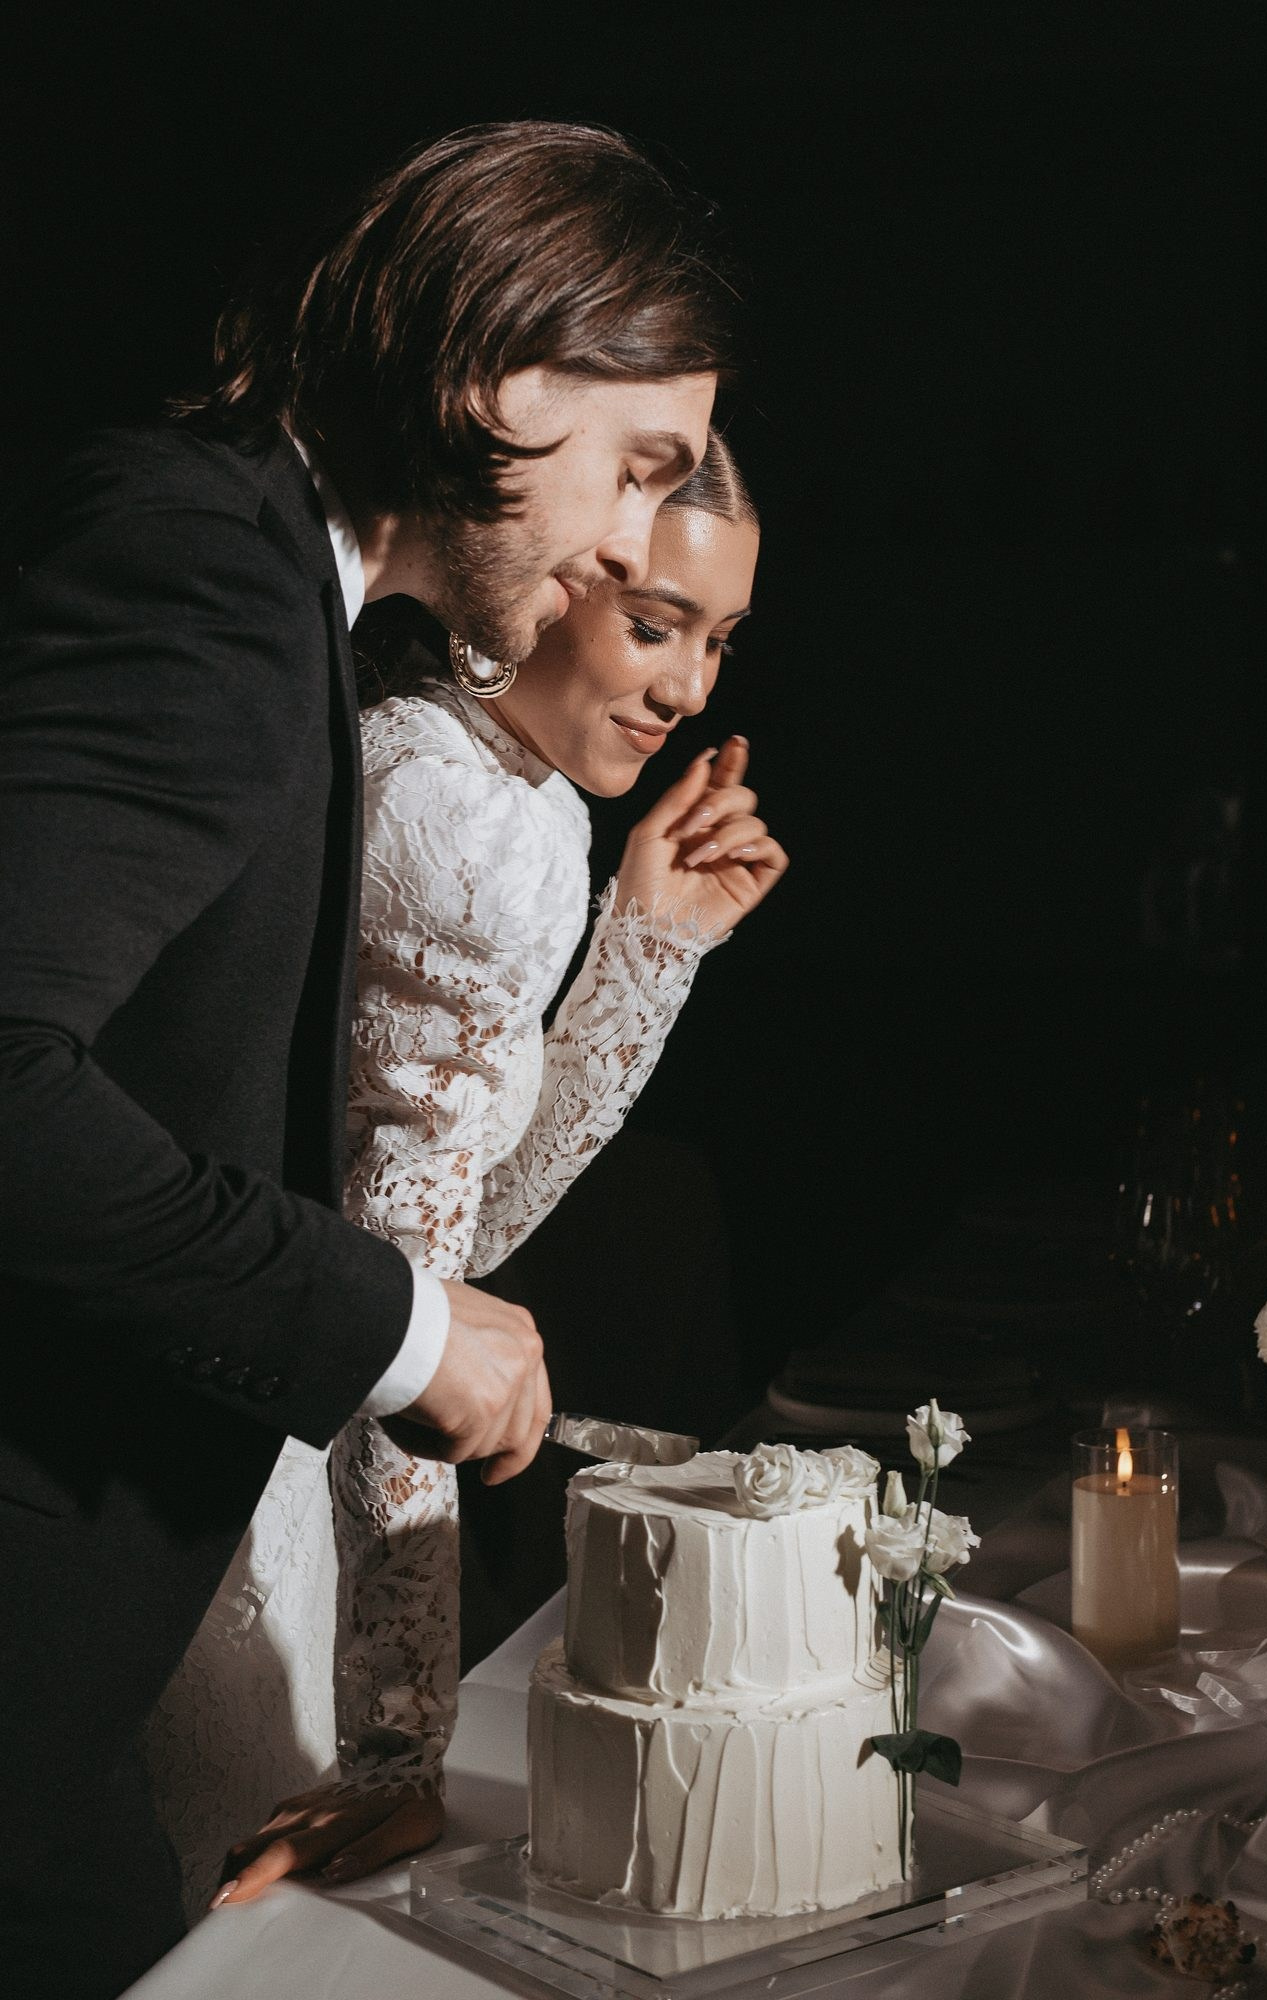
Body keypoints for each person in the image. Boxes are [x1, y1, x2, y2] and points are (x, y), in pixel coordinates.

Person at [0, 120, 736, 2000]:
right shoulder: (198, 570)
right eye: (635, 468)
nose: (624, 543)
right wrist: (404, 1330)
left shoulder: (263, 571)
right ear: (503, 381)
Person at [143, 429, 786, 1915]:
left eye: (720, 640)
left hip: (270, 1415)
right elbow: (406, 1316)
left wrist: (647, 950)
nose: (692, 689)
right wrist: (396, 1741)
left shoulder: (509, 791)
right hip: (248, 1465)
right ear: (548, 578)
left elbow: (460, 1228)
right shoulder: (470, 827)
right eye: (653, 624)